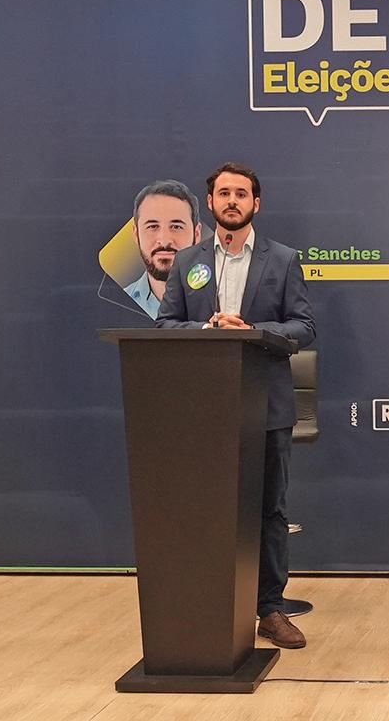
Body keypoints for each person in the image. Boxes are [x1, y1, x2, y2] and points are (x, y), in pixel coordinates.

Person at [157, 162, 315, 649]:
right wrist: (206, 329)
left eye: (241, 194)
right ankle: (208, 604)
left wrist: (253, 331)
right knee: (206, 508)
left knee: (269, 510)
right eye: (223, 193)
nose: (232, 201)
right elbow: (165, 324)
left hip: (265, 405)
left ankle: (270, 609)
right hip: (204, 407)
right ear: (210, 203)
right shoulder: (188, 260)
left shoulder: (282, 259)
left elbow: (304, 327)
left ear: (255, 204)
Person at [125, 180, 201, 317]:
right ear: (136, 234)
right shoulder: (118, 301)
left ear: (197, 234)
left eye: (176, 227)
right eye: (152, 226)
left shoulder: (221, 303)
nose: (165, 241)